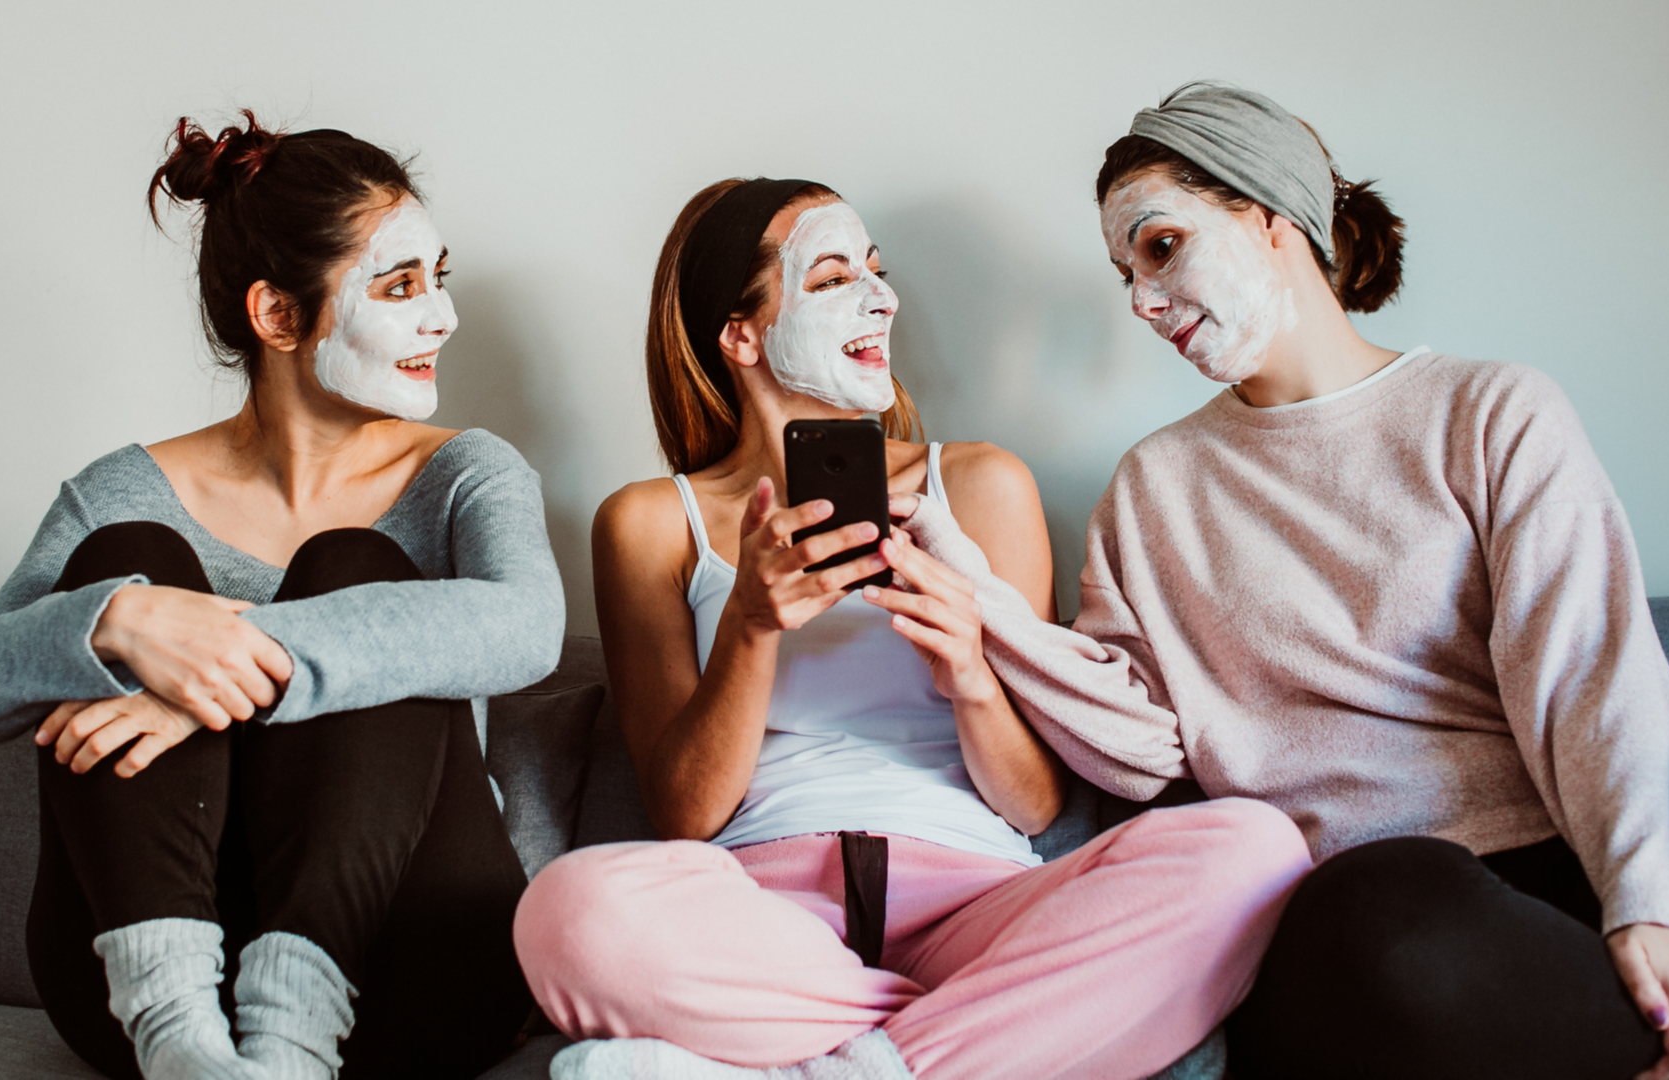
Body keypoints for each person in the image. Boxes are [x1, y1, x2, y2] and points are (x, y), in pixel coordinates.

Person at [898, 84, 1669, 1080]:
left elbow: (1593, 677)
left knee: (1414, 921)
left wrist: (1658, 904)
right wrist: (970, 590)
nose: (1141, 302)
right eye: (1123, 275)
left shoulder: (1490, 415)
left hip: (1525, 897)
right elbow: (1143, 750)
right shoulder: (1155, 486)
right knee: (1369, 914)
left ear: (1271, 217)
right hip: (1323, 925)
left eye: (1159, 247)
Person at [511, 177, 1313, 1080]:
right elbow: (685, 814)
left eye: (877, 271)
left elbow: (1037, 805)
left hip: (977, 900)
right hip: (762, 916)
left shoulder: (978, 485)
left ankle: (838, 1066)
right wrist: (748, 626)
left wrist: (968, 668)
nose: (881, 297)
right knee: (567, 911)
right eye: (831, 278)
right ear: (740, 335)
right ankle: (964, 1046)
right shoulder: (652, 523)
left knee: (1253, 849)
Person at [0, 112, 565, 1080]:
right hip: (151, 996)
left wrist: (215, 671)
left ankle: (288, 1048)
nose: (440, 317)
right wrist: (123, 623)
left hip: (409, 973)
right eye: (400, 286)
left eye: (440, 278)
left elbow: (528, 627)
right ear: (277, 316)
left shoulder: (466, 475)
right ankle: (191, 1050)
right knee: (124, 559)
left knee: (352, 566)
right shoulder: (124, 488)